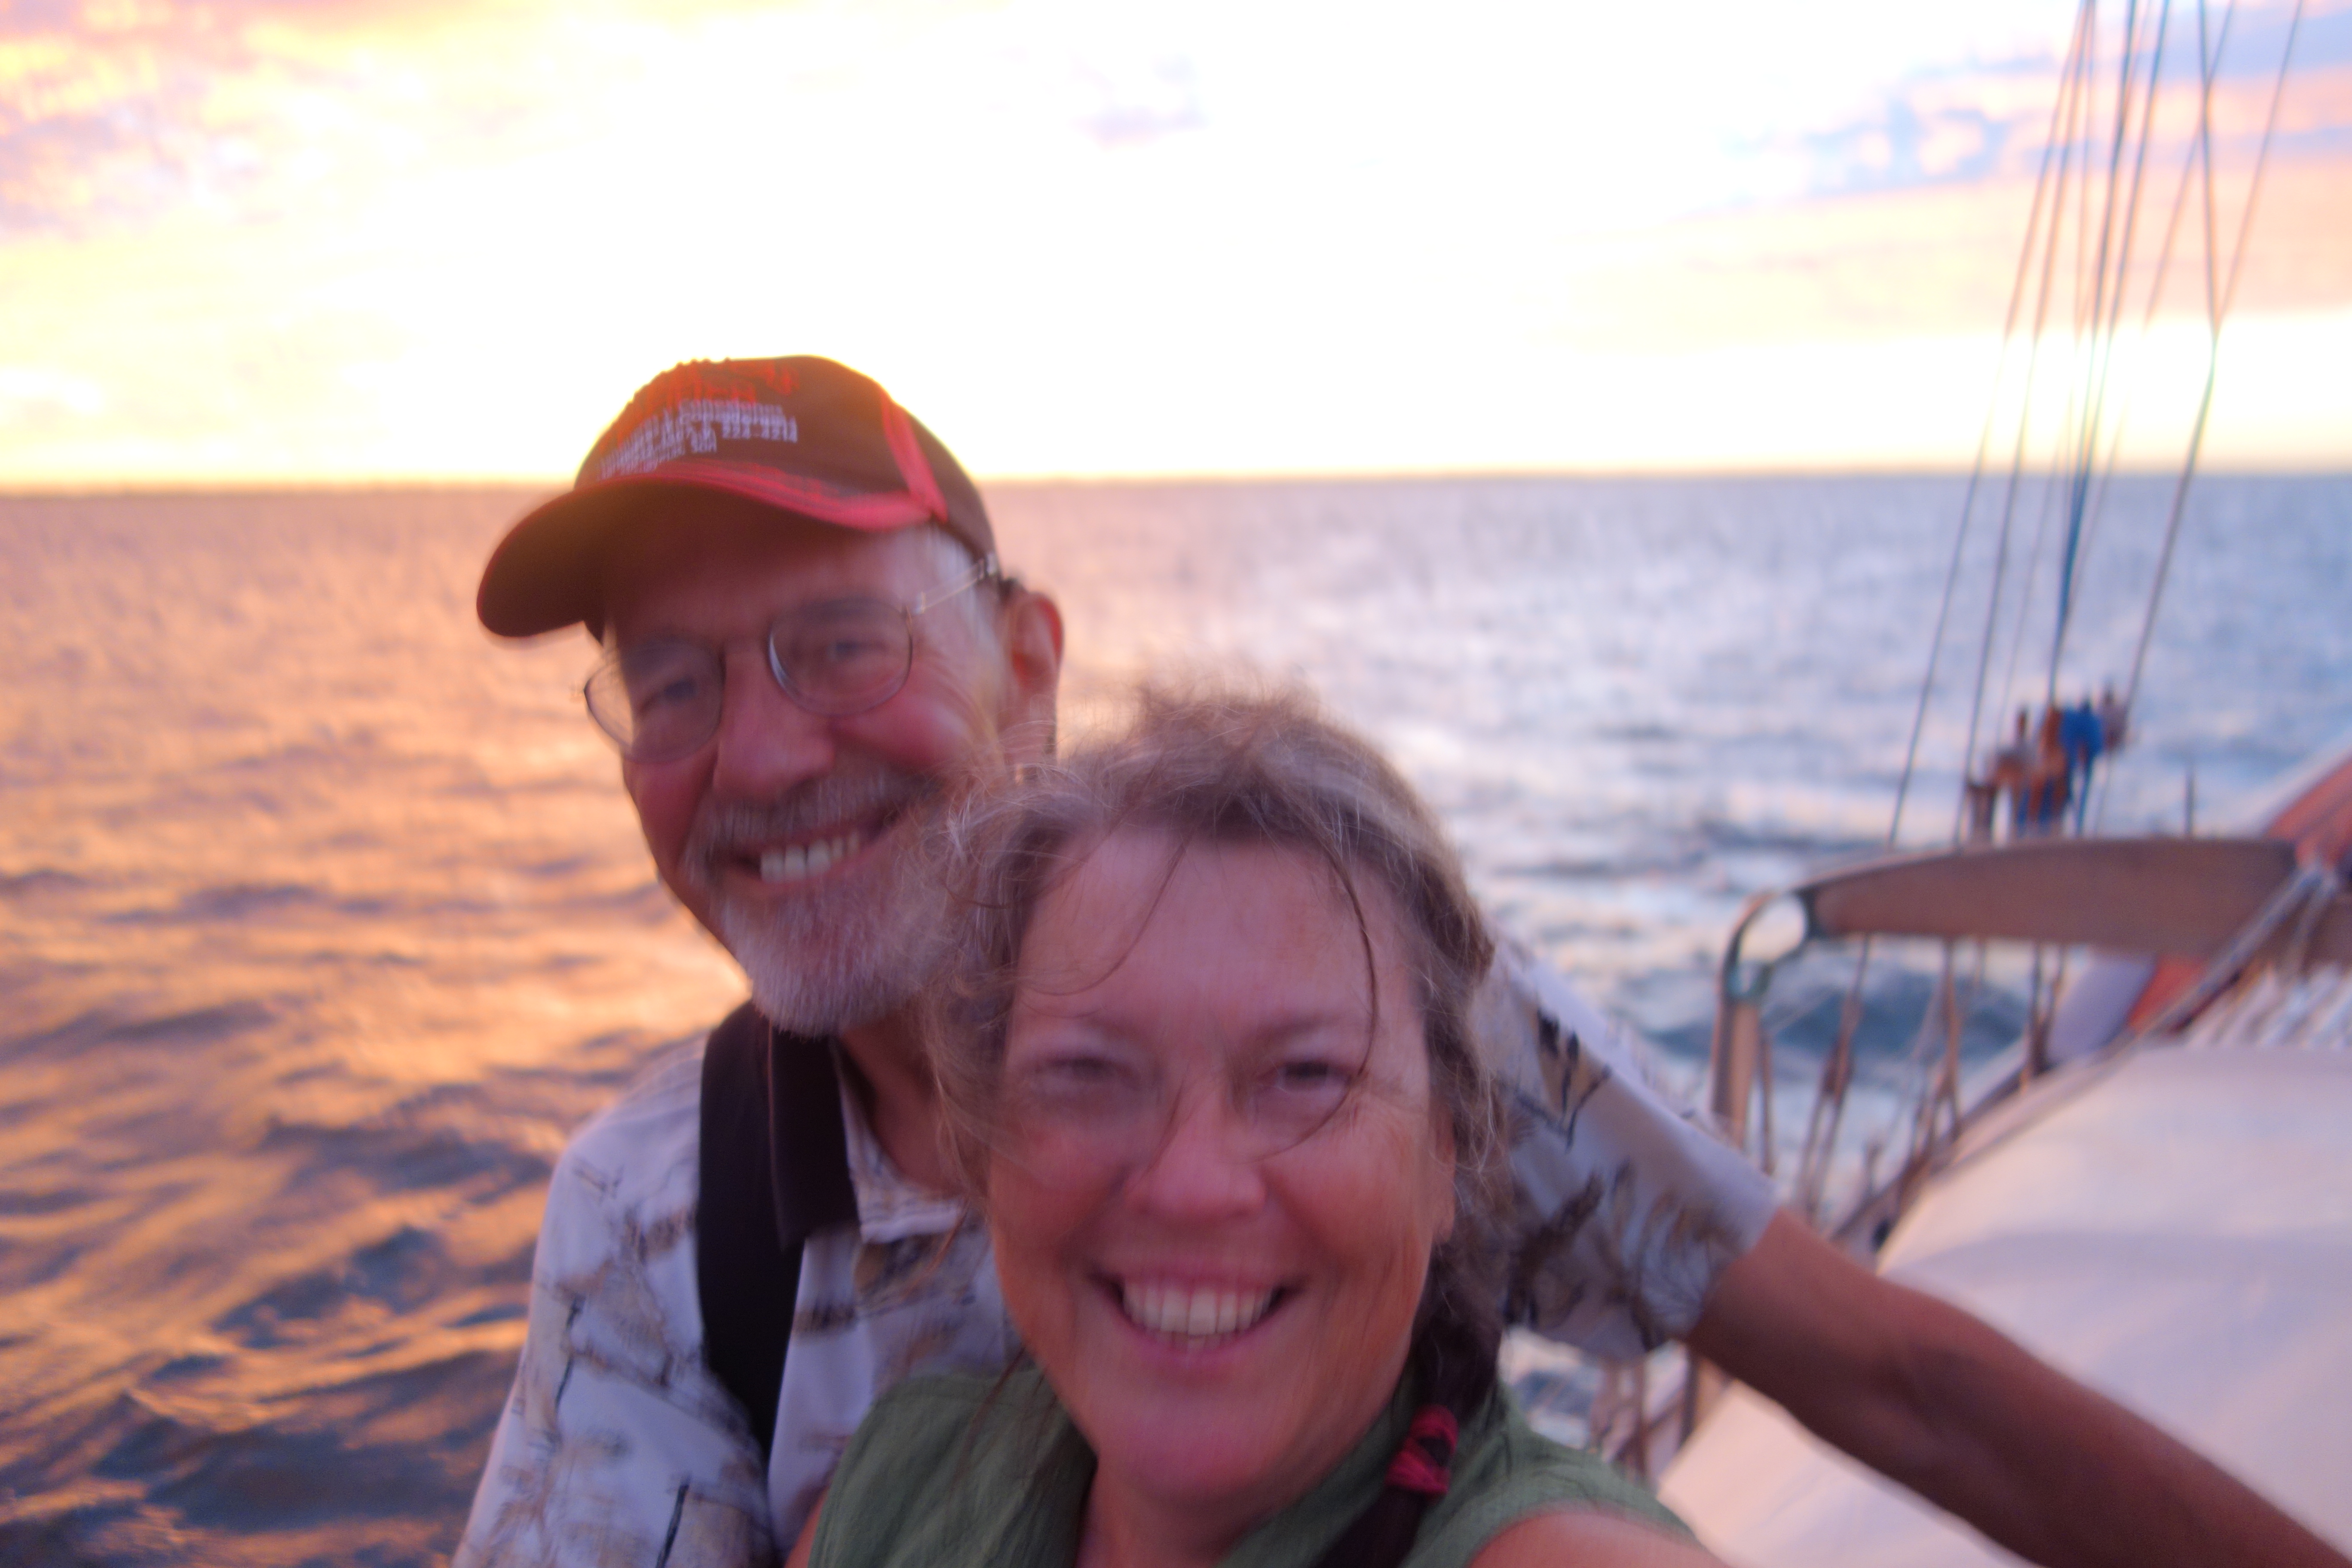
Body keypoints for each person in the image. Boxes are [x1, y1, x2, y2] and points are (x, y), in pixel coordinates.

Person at [456, 354, 2350, 1568]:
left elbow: (1898, 1382)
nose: (756, 757)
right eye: (671, 687)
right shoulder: (658, 1220)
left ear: (1026, 663)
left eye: (837, 646)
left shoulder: (1399, 1020)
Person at [794, 685, 1718, 1568]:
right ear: (984, 1142)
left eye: (1307, 1076)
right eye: (1086, 1073)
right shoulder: (894, 1491)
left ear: (1445, 1151)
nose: (1192, 1187)